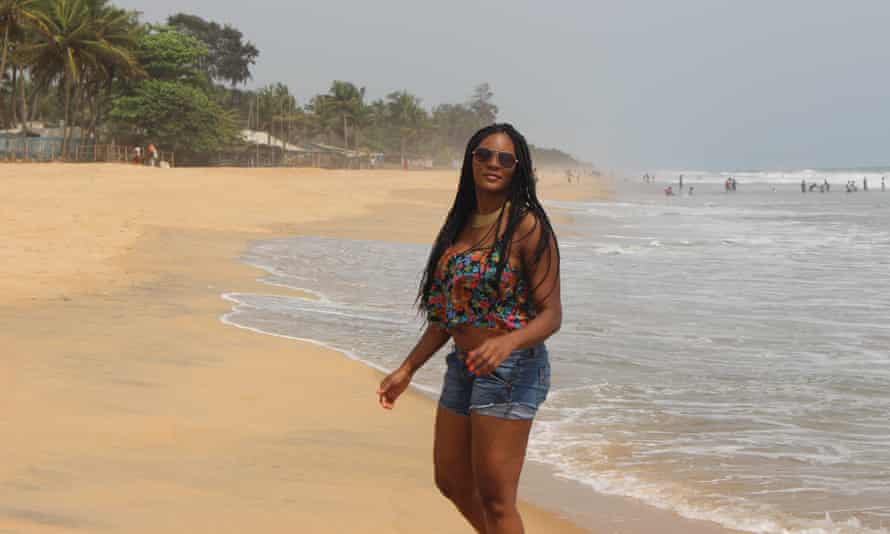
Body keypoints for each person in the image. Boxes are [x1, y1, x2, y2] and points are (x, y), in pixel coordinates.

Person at [377, 123, 560, 534]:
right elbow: (446, 316)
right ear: (470, 161)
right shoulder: (460, 226)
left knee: (497, 498)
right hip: (464, 366)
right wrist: (407, 370)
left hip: (513, 370)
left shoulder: (527, 228)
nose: (493, 163)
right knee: (452, 480)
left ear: (518, 168)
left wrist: (507, 343)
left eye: (504, 158)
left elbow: (552, 315)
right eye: (484, 155)